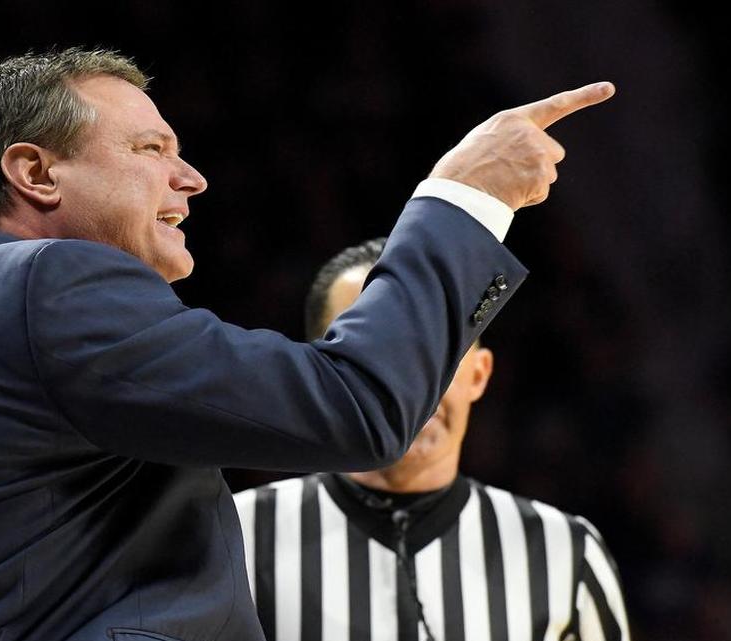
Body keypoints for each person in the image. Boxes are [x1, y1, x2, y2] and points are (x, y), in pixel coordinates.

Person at [0, 47, 614, 641]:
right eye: (151, 149)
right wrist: (465, 200)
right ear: (35, 175)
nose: (191, 179)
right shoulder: (43, 288)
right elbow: (357, 404)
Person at [234, 237, 631, 641]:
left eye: (435, 351)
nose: (407, 382)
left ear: (479, 374)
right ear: (320, 369)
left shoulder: (564, 550)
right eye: (369, 353)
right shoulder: (238, 534)